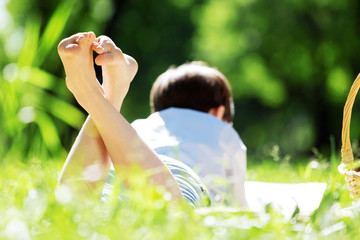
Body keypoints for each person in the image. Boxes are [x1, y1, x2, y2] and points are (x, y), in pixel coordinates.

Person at [57, 32, 209, 208]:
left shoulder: (137, 128)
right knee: (172, 217)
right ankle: (97, 95)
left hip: (116, 166)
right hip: (176, 176)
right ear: (220, 114)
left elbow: (118, 137)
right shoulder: (223, 137)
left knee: (71, 215)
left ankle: (110, 96)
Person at [127, 62, 247, 207]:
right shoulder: (222, 132)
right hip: (188, 198)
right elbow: (237, 201)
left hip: (133, 194)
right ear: (218, 113)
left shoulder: (139, 127)